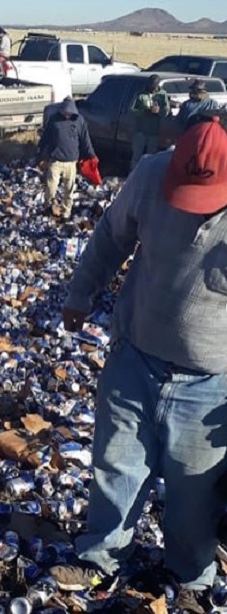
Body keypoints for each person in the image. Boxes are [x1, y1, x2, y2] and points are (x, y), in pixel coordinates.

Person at [50, 112, 227, 614]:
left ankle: (191, 577)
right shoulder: (152, 173)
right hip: (135, 356)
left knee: (196, 492)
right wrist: (81, 291)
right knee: (115, 464)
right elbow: (111, 236)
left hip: (211, 383)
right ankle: (101, 555)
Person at [36, 98, 95, 220]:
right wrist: (40, 154)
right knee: (51, 187)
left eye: (70, 113)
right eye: (65, 112)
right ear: (61, 110)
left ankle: (66, 213)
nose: (67, 114)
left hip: (71, 162)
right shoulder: (54, 120)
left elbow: (85, 139)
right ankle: (48, 208)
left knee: (69, 190)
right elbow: (45, 138)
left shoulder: (79, 120)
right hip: (55, 161)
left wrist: (91, 155)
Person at [130, 74, 169, 169]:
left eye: (155, 86)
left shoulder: (162, 94)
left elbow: (166, 111)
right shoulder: (140, 94)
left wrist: (159, 111)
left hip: (154, 131)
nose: (153, 88)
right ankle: (133, 174)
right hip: (140, 130)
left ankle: (147, 175)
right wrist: (144, 111)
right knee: (137, 156)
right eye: (151, 86)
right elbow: (132, 109)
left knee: (151, 157)